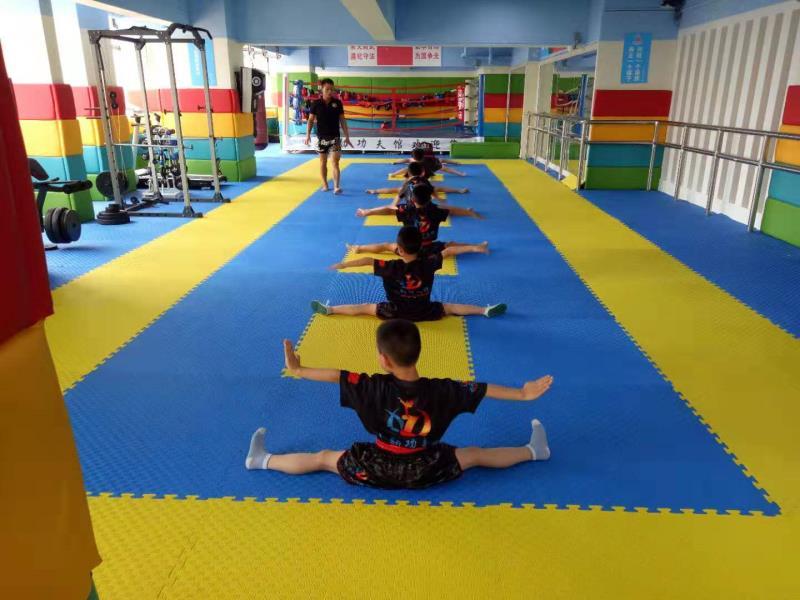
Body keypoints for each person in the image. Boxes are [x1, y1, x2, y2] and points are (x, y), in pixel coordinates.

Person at [245, 319, 554, 489]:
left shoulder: (370, 387)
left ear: (383, 359)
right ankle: (533, 451)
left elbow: (335, 375)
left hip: (374, 468)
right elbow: (484, 389)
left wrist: (299, 370)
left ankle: (262, 460)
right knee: (475, 455)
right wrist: (522, 394)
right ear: (418, 352)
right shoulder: (445, 390)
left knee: (323, 458)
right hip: (427, 469)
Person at [311, 226, 506, 321]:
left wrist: (344, 265)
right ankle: (484, 311)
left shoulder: (390, 266)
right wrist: (474, 248)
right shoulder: (429, 263)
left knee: (364, 307)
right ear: (420, 248)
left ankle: (331, 310)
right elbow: (448, 251)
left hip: (394, 312)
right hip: (424, 311)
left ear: (400, 250)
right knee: (451, 306)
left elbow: (368, 260)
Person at [350, 183, 488, 257]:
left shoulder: (406, 209)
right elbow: (454, 210)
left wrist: (367, 212)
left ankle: (359, 248)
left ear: (412, 199)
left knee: (385, 246)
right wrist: (470, 213)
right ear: (430, 198)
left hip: (408, 249)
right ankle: (475, 246)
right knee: (450, 245)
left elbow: (387, 209)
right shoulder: (437, 210)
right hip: (429, 248)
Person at [305, 78, 353, 194]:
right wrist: (308, 135)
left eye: (332, 89)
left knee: (335, 162)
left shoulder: (338, 103)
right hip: (321, 138)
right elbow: (310, 120)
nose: (330, 91)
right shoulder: (316, 104)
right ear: (322, 89)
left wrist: (347, 136)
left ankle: (336, 186)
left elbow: (342, 120)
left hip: (335, 137)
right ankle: (325, 185)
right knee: (323, 162)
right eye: (327, 89)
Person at [365, 161, 468, 201]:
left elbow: (396, 191)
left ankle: (375, 192)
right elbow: (437, 189)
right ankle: (459, 190)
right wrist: (438, 198)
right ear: (422, 172)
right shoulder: (423, 177)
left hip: (415, 194)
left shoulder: (410, 176)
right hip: (418, 194)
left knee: (395, 190)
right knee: (438, 188)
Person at [389, 147, 466, 178]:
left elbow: (406, 163)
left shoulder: (414, 162)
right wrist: (460, 173)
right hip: (427, 171)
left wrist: (394, 172)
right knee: (442, 163)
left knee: (441, 161)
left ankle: (456, 163)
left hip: (425, 171)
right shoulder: (425, 160)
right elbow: (445, 168)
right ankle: (457, 164)